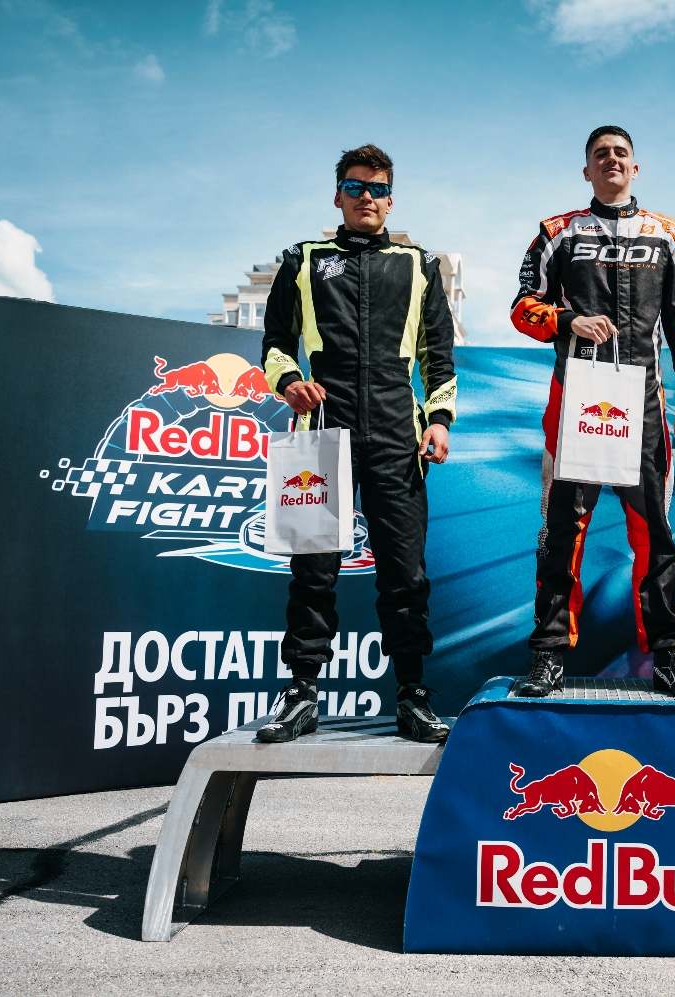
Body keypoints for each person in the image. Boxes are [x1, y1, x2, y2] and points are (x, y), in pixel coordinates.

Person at [256, 143, 457, 744]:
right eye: (354, 187)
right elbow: (274, 344)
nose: (366, 197)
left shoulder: (420, 265)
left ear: (391, 200)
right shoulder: (303, 260)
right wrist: (288, 382)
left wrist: (439, 420)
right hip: (321, 429)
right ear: (337, 196)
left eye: (377, 188)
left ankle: (413, 694)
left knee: (405, 572)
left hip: (398, 433)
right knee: (312, 569)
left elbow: (439, 355)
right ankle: (301, 694)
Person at [509, 125, 675, 699]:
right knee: (561, 532)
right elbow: (522, 308)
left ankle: (668, 655)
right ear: (587, 170)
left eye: (621, 153)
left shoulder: (670, 234)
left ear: (635, 167)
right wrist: (567, 320)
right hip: (576, 398)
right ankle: (548, 654)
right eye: (601, 154)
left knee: (656, 534)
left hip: (643, 404)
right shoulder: (557, 231)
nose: (611, 160)